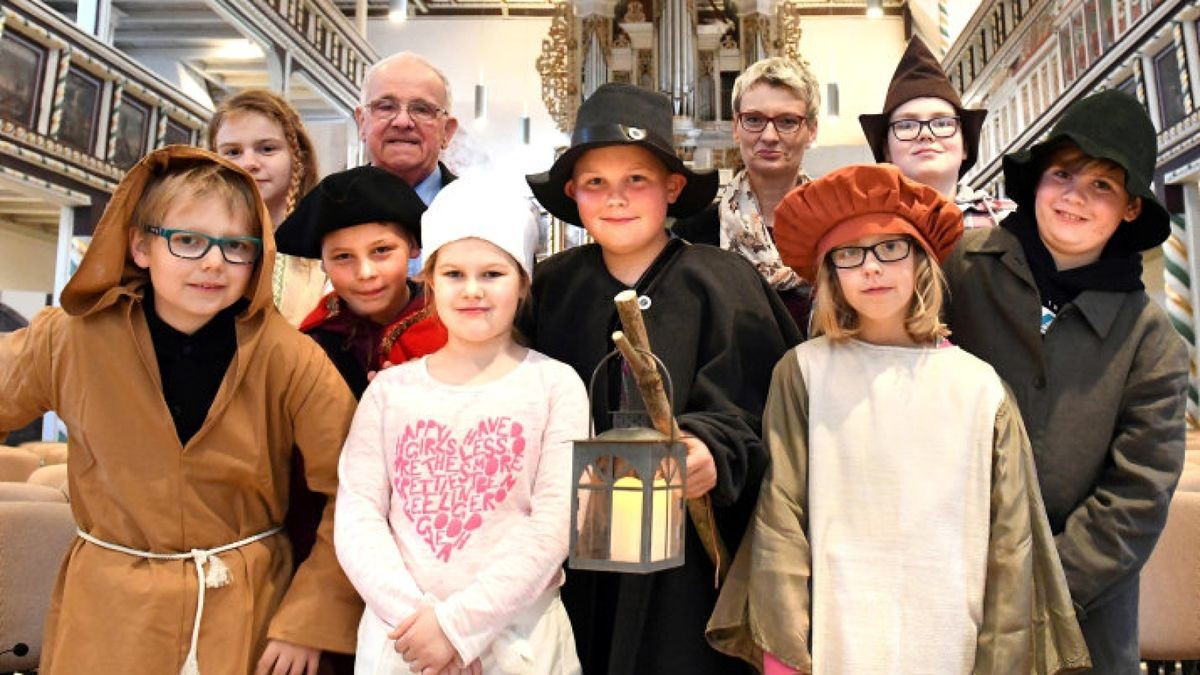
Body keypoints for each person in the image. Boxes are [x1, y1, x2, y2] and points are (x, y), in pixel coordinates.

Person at [705, 163, 1088, 674]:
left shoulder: (979, 388)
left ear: (921, 263)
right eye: (850, 254)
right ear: (832, 274)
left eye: (890, 247)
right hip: (839, 626)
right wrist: (785, 652)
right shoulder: (803, 373)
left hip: (951, 625)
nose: (871, 268)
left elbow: (1011, 546)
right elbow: (782, 520)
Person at [0, 146, 362, 674]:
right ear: (141, 245)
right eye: (188, 240)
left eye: (236, 246)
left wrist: (308, 619)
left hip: (245, 612)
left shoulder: (288, 357)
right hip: (107, 616)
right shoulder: (70, 338)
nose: (214, 262)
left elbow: (356, 491)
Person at [522, 82, 802, 675]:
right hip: (571, 561)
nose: (615, 198)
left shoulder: (725, 283)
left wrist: (713, 448)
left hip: (691, 568)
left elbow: (771, 412)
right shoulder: (549, 289)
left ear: (673, 188)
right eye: (596, 182)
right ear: (572, 193)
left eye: (637, 180)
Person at [941, 90, 1189, 674]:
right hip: (951, 583)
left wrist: (1043, 588)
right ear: (1037, 183)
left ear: (1130, 208)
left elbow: (1139, 491)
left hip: (1083, 614)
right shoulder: (963, 270)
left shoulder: (1149, 336)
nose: (1076, 195)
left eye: (1102, 184)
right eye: (1063, 173)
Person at [335, 174, 588, 675]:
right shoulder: (389, 392)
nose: (472, 290)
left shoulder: (555, 386)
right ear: (430, 283)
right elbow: (359, 518)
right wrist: (423, 627)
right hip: (403, 642)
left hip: (519, 639)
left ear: (523, 283)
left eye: (492, 274)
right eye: (454, 274)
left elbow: (555, 523)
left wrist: (459, 627)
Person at [275, 165, 447, 399]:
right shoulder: (314, 343)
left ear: (413, 246)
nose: (365, 273)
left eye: (382, 250)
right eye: (343, 256)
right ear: (323, 263)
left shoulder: (451, 323)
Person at [673, 56, 821, 329]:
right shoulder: (694, 233)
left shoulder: (833, 226)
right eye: (754, 119)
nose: (769, 136)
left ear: (811, 131)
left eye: (787, 121)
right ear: (736, 128)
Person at [858, 36, 1015, 230]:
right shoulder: (863, 233)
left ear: (965, 145)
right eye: (907, 125)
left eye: (942, 123)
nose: (925, 134)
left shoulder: (1011, 223)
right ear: (886, 150)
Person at [209, 89, 327, 326]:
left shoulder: (325, 244)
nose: (249, 163)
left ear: (298, 157)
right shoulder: (202, 240)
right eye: (233, 152)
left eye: (267, 149)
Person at [356, 52, 460, 276]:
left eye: (421, 109)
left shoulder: (481, 212)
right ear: (362, 122)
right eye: (386, 107)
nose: (402, 122)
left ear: (447, 131)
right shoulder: (327, 208)